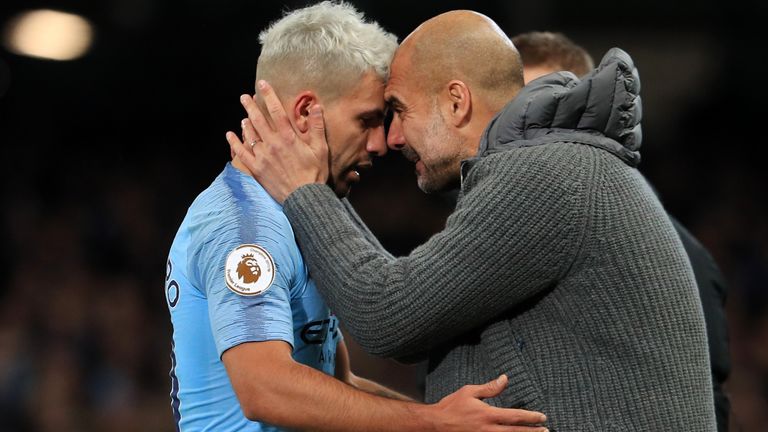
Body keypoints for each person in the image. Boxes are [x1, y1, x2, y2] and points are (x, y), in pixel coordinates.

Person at [230, 8, 720, 431]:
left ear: (457, 101)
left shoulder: (546, 176)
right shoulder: (555, 166)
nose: (392, 137)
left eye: (398, 111)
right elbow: (407, 311)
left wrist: (304, 188)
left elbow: (386, 315)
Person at [166, 3, 548, 432]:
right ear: (304, 110)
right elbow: (265, 388)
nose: (381, 143)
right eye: (366, 120)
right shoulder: (243, 225)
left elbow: (338, 382)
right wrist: (434, 422)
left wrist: (453, 421)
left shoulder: (295, 213)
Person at [511, 30, 732, 431]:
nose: (523, 129)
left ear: (587, 112)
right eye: (513, 112)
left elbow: (701, 409)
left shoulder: (681, 257)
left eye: (545, 109)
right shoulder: (485, 242)